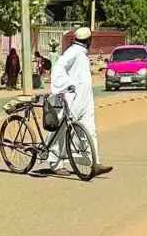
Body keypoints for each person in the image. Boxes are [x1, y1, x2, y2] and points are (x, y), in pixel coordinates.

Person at [46, 27, 112, 176]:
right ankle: (55, 163)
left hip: (85, 101)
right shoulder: (73, 52)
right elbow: (58, 69)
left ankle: (94, 162)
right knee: (62, 131)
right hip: (72, 100)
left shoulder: (81, 54)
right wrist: (67, 85)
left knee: (89, 131)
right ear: (89, 40)